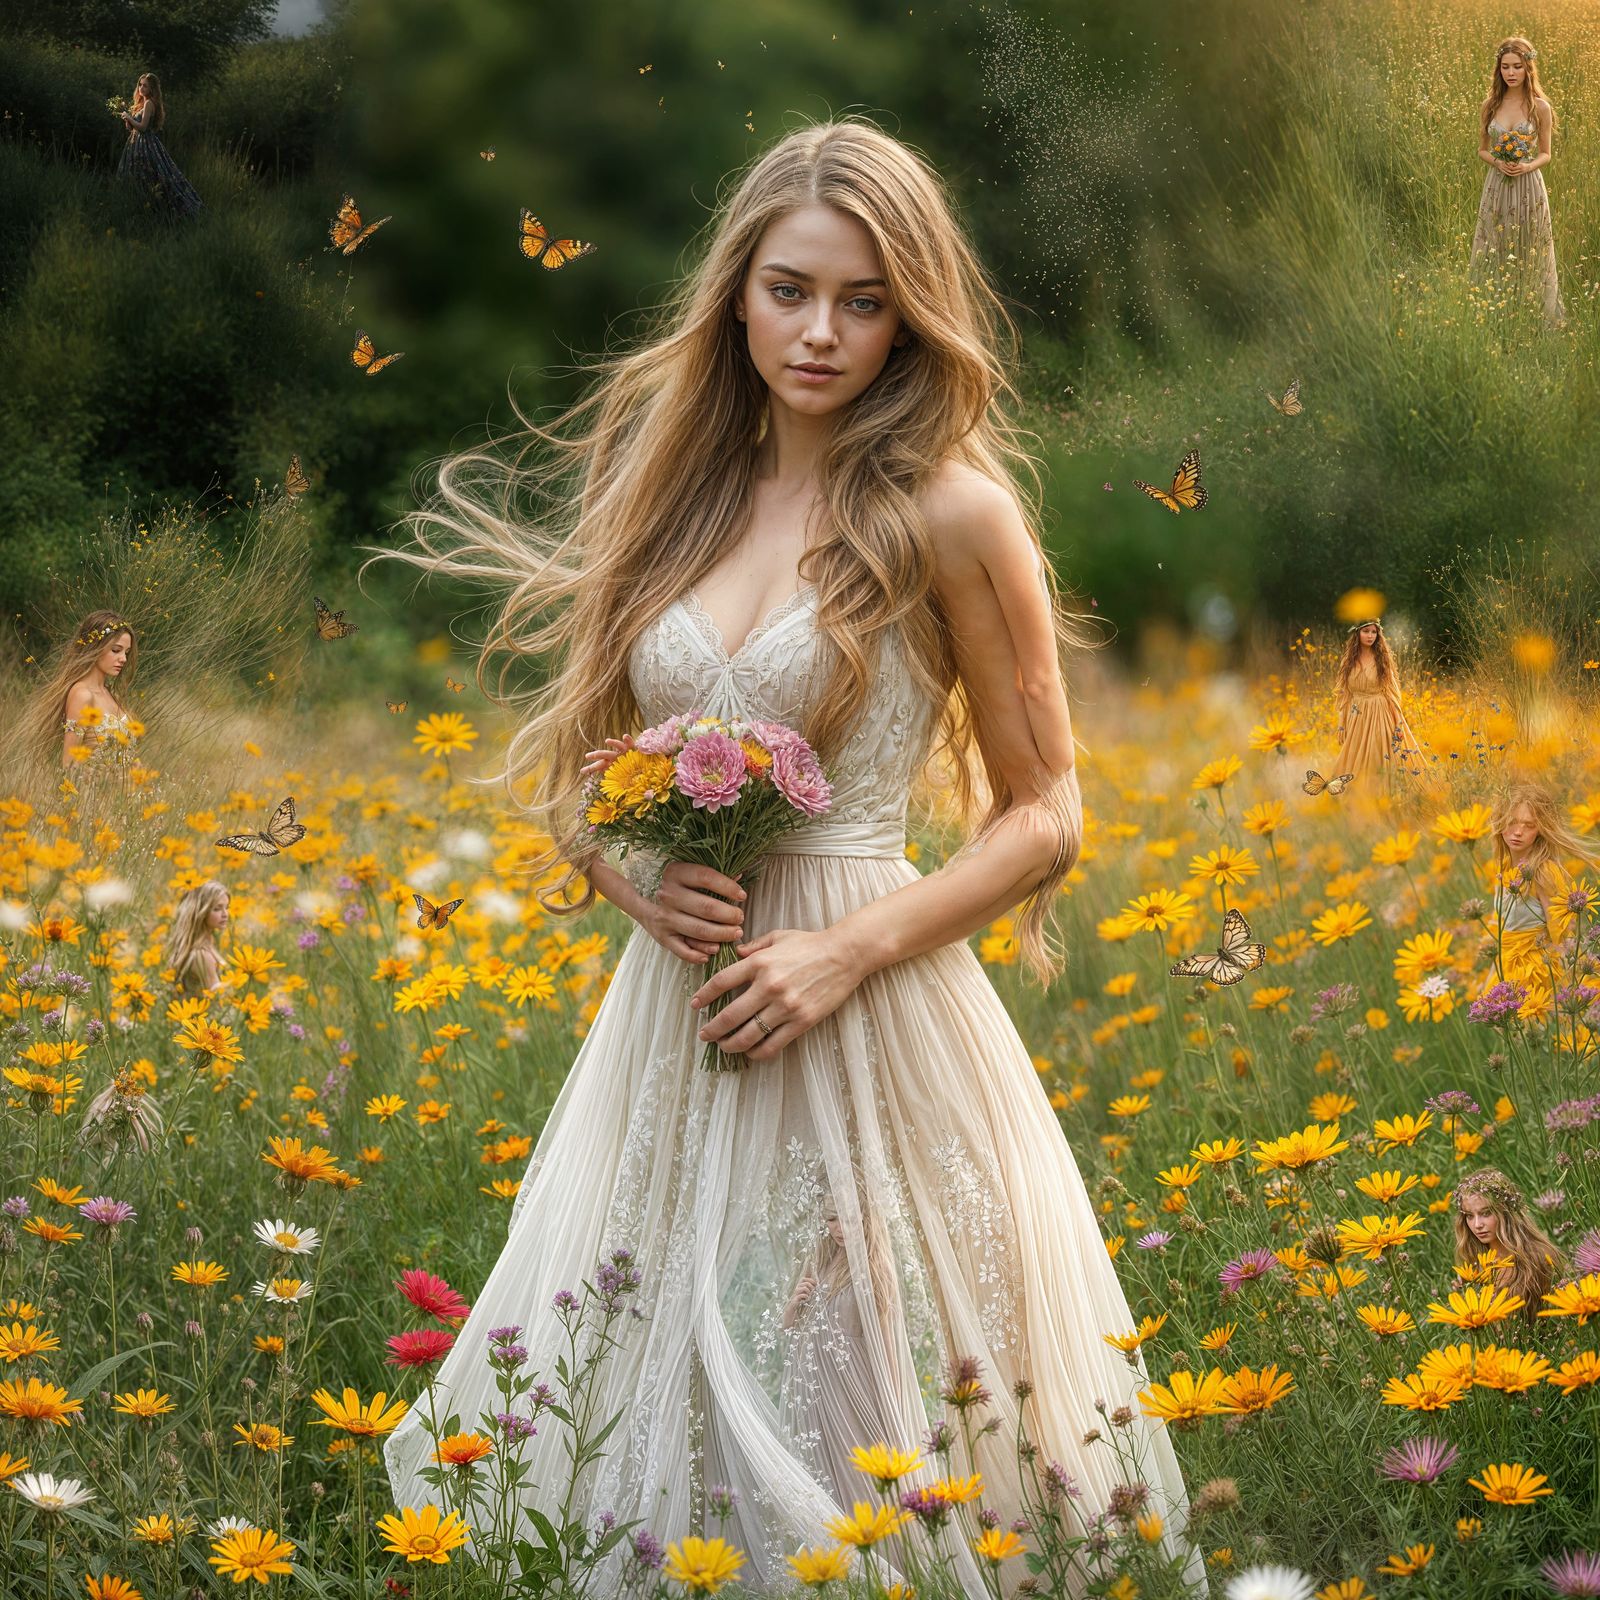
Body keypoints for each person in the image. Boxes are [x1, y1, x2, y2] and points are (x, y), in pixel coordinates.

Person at [375, 119, 1205, 1596]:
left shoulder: (953, 510)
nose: (821, 332)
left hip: (869, 1004)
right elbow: (580, 780)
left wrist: (842, 949)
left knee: (868, 1416)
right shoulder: (673, 487)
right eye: (789, 290)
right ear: (736, 296)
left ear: (915, 312)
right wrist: (640, 880)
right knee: (657, 1395)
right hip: (680, 1016)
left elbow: (1047, 814)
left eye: (866, 300)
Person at [1470, 37, 1564, 327]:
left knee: (1530, 245)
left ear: (1528, 69)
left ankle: (1533, 316)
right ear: (1498, 70)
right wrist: (1497, 162)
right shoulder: (1490, 104)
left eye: (1517, 67)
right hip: (1496, 184)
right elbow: (1482, 149)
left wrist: (1527, 166)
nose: (1511, 73)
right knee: (1493, 245)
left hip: (1529, 185)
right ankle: (1493, 313)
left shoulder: (1540, 107)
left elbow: (1546, 154)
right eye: (1505, 67)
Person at [1480, 779, 1600, 991]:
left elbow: (1564, 938)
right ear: (1500, 823)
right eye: (1512, 822)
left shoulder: (1544, 872)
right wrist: (1490, 978)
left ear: (1540, 831)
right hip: (1507, 970)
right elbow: (1502, 934)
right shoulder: (1504, 867)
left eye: (1529, 825)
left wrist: (1569, 993)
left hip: (1537, 975)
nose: (1518, 831)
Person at [18, 611, 142, 771]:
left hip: (126, 793)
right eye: (116, 650)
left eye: (126, 652)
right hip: (96, 792)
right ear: (95, 647)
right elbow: (70, 763)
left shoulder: (113, 695)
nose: (124, 659)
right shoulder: (82, 695)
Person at [1453, 1168, 1563, 1329]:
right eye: (1469, 1216)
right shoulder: (1473, 1266)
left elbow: (1558, 1323)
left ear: (1505, 1212)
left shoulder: (1538, 1258)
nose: (1477, 1225)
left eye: (1486, 1213)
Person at [1332, 618, 1426, 783]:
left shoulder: (1382, 659)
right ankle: (1358, 797)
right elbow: (1344, 695)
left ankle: (1381, 794)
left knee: (1378, 754)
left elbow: (1392, 693)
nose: (1370, 636)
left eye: (1374, 632)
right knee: (1355, 758)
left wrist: (1398, 724)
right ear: (1357, 633)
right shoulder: (1348, 660)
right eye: (1366, 631)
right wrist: (1342, 723)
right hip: (1356, 716)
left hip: (1379, 713)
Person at [117, 73, 203, 219]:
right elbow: (132, 129)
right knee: (139, 175)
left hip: (146, 144)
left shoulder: (149, 103)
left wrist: (129, 118)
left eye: (145, 85)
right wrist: (127, 118)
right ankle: (143, 209)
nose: (141, 88)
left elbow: (143, 128)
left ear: (152, 89)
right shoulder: (140, 103)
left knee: (154, 176)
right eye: (140, 84)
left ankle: (164, 211)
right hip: (136, 143)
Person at [162, 881, 231, 995]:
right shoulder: (202, 955)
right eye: (217, 909)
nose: (225, 914)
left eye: (227, 907)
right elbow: (218, 1000)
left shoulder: (204, 947)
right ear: (201, 912)